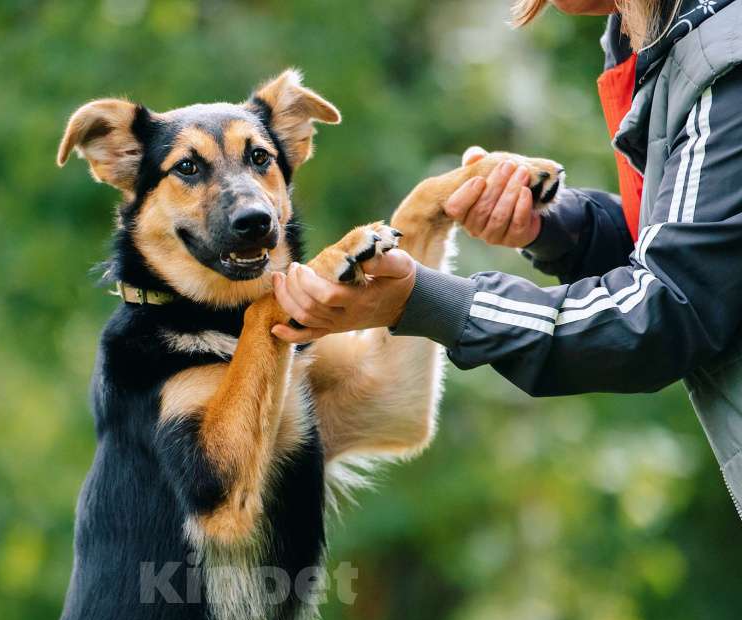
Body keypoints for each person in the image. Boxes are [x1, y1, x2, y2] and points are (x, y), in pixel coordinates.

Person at [271, 0, 742, 517]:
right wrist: (556, 227)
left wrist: (425, 301)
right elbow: (698, 249)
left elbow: (667, 311)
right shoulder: (665, 40)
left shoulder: (725, 60)